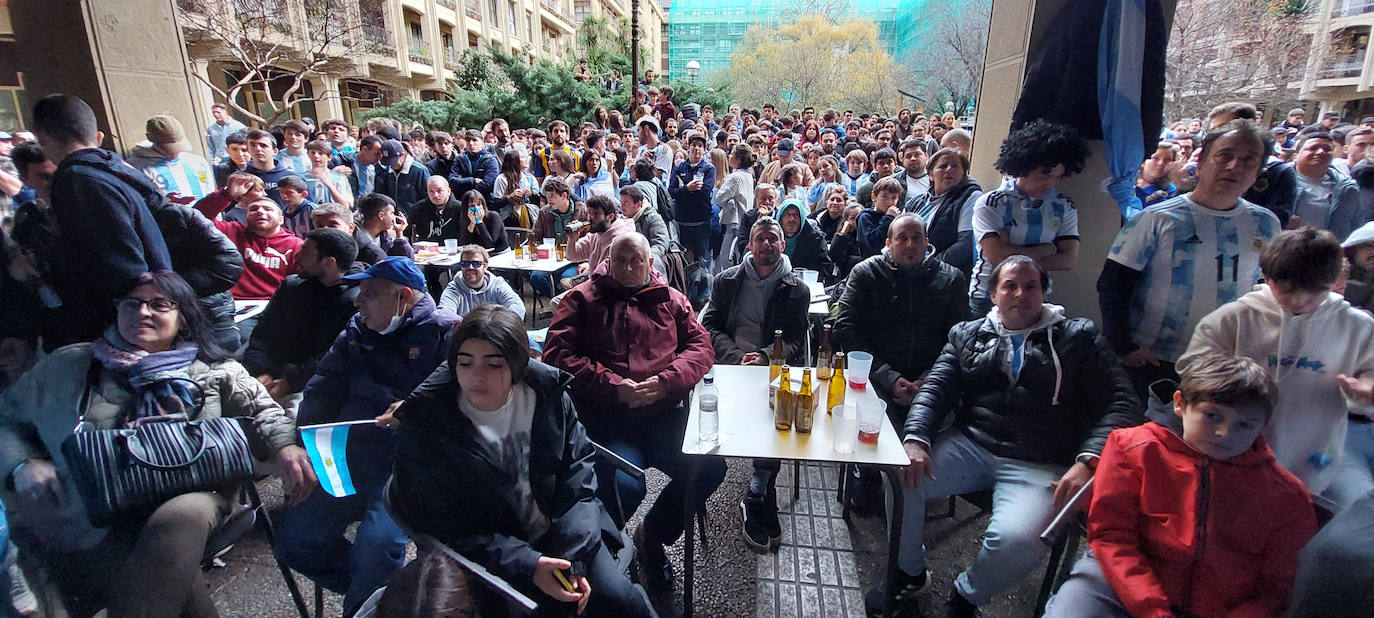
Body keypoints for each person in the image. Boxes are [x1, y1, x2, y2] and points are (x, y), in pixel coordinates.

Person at [0, 270, 314, 617]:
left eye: (159, 304)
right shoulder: (70, 366)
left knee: (179, 517)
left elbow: (264, 413)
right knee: (163, 579)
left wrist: (286, 446)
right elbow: (5, 420)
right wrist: (22, 464)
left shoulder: (214, 370)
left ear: (183, 318)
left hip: (194, 492)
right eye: (132, 304)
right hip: (91, 509)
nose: (143, 312)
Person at [870, 256, 1142, 617]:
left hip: (1041, 459)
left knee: (1018, 539)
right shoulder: (969, 334)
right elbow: (936, 388)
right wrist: (916, 438)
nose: (1020, 293)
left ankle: (966, 595)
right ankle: (910, 571)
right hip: (972, 443)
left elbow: (1123, 402)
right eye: (1010, 285)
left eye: (1030, 286)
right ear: (994, 294)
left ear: (1044, 292)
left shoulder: (1079, 338)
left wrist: (1089, 459)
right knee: (901, 475)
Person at [390, 304, 658, 616]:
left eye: (494, 365)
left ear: (518, 367)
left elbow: (578, 477)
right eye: (465, 363)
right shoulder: (427, 426)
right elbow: (447, 527)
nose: (476, 376)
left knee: (623, 601)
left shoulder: (547, 394)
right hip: (491, 558)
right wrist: (530, 564)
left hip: (565, 532)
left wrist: (571, 560)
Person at [1044, 356, 1318, 618]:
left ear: (1262, 427)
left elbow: (1276, 587)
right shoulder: (1133, 449)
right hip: (1121, 581)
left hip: (1223, 606)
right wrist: (1153, 610)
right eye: (1212, 416)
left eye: (1245, 424)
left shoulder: (1286, 496)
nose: (1225, 433)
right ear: (1180, 404)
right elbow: (1112, 536)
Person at [276, 256, 459, 618]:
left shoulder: (447, 333)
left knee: (377, 548)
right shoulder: (357, 331)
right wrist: (304, 444)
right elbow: (322, 390)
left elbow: (466, 399)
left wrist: (417, 407)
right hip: (350, 454)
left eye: (370, 293)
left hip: (411, 463)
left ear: (403, 297)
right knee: (293, 538)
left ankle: (370, 602)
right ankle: (389, 600)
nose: (358, 301)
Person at [543, 233, 726, 591]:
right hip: (604, 420)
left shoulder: (671, 300)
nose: (628, 268)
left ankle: (652, 536)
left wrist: (667, 381)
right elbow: (557, 355)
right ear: (607, 262)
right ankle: (601, 554)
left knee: (709, 468)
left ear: (649, 263)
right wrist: (613, 387)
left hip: (661, 415)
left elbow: (701, 348)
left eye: (636, 261)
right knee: (626, 486)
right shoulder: (581, 299)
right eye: (620, 260)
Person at [1179, 227, 1374, 503]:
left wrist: (1366, 389)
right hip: (1231, 445)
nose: (1300, 301)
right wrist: (1231, 379)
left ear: (1334, 282)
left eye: (1315, 292)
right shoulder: (1235, 318)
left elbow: (1370, 371)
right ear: (1268, 279)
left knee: (1295, 516)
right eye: (1288, 291)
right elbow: (1191, 369)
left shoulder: (1357, 327)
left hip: (1310, 450)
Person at [1098, 120, 1282, 400]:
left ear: (1258, 172)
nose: (1234, 166)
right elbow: (1113, 285)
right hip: (1155, 360)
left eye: (1248, 160)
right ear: (1202, 160)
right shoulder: (1156, 219)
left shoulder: (1266, 224)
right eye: (1225, 155)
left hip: (1224, 364)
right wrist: (1124, 346)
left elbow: (1267, 289)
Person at [700, 218, 810, 553]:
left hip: (771, 369)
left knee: (774, 419)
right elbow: (711, 324)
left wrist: (764, 356)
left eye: (772, 239)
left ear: (783, 244)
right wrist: (735, 356)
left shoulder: (796, 289)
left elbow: (794, 340)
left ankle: (760, 488)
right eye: (759, 239)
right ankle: (757, 488)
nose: (766, 245)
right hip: (732, 367)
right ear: (749, 245)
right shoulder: (727, 281)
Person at [31, 94, 173, 346]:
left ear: (42, 138)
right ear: (97, 137)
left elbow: (121, 267)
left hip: (125, 331)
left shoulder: (81, 181)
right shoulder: (114, 171)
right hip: (146, 317)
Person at [834, 213, 969, 408]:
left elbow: (958, 339)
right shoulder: (866, 273)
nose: (909, 244)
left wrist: (926, 381)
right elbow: (845, 327)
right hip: (873, 379)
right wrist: (890, 378)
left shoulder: (951, 279)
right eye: (902, 238)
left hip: (934, 384)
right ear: (888, 243)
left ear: (926, 242)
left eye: (916, 238)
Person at [968, 120, 1088, 317]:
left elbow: (1068, 260)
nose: (1050, 183)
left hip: (1037, 296)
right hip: (987, 297)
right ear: (1024, 166)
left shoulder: (1064, 206)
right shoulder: (990, 203)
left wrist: (1013, 253)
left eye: (1058, 176)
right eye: (1044, 174)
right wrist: (1047, 249)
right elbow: (997, 256)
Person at [243, 226, 359, 416]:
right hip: (271, 371)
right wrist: (263, 370)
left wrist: (291, 381)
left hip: (315, 380)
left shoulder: (354, 301)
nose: (296, 257)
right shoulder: (292, 286)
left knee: (294, 416)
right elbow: (263, 332)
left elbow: (336, 353)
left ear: (329, 263)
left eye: (305, 251)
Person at [908, 147, 981, 279]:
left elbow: (965, 244)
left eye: (955, 166)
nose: (949, 169)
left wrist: (929, 267)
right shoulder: (916, 202)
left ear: (963, 172)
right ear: (930, 173)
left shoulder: (970, 197)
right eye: (943, 166)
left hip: (944, 278)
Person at [1288, 132, 1363, 240]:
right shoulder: (1278, 180)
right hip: (1281, 249)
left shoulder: (1347, 189)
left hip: (1326, 252)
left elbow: (1355, 225)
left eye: (1327, 149)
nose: (1321, 152)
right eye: (1313, 148)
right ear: (1295, 156)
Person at [127, 114, 217, 200]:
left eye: (178, 147)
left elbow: (211, 196)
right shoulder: (137, 169)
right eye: (167, 149)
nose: (174, 153)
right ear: (150, 139)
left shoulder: (198, 162)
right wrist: (165, 202)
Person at [530, 178, 586, 297]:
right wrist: (541, 248)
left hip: (574, 259)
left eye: (552, 196)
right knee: (536, 277)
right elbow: (536, 237)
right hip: (551, 259)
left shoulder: (581, 211)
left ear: (564, 195)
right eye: (547, 196)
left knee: (568, 278)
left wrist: (587, 261)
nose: (549, 200)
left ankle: (563, 304)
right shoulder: (544, 212)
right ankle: (558, 302)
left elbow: (591, 238)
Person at [669, 132, 716, 270]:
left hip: (701, 222)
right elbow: (671, 192)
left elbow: (704, 192)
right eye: (694, 145)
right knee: (683, 260)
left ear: (704, 149)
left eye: (700, 146)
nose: (696, 148)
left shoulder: (709, 169)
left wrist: (683, 188)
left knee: (703, 259)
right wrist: (687, 189)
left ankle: (704, 289)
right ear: (688, 147)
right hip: (682, 221)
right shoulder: (679, 168)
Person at [438, 244, 524, 319]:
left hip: (494, 333)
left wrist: (496, 326)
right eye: (465, 264)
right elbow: (444, 315)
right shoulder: (453, 288)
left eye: (476, 264)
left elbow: (518, 307)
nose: (470, 267)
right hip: (465, 334)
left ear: (485, 266)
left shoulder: (497, 284)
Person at [566, 194, 636, 278]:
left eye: (596, 213)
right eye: (589, 212)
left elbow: (608, 278)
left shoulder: (620, 241)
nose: (591, 217)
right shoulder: (595, 234)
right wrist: (572, 239)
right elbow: (572, 256)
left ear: (610, 217)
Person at [774, 197, 831, 275]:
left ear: (802, 218)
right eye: (787, 214)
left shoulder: (815, 239)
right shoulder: (771, 239)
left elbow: (824, 267)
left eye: (796, 214)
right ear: (780, 218)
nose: (791, 219)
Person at [855, 176, 904, 258]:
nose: (889, 201)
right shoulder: (865, 217)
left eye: (894, 198)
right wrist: (888, 218)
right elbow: (873, 246)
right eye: (884, 196)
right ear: (874, 197)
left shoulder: (897, 218)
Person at [491, 149, 539, 230]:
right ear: (514, 160)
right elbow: (496, 204)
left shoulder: (529, 178)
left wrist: (530, 195)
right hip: (508, 219)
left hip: (527, 216)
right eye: (522, 157)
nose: (525, 159)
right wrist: (510, 197)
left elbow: (537, 199)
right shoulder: (502, 179)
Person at [448, 129, 499, 204]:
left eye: (474, 140)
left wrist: (463, 184)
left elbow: (488, 184)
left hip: (485, 202)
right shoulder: (460, 159)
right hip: (463, 203)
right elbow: (452, 181)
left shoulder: (490, 160)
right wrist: (473, 180)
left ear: (482, 142)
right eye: (468, 140)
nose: (471, 143)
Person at [378, 139, 430, 211]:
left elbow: (426, 197)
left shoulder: (419, 171)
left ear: (403, 155)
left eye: (393, 161)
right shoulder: (388, 171)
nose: (391, 165)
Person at [619, 185, 669, 260]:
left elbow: (660, 244)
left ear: (638, 204)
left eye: (626, 203)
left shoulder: (653, 218)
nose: (622, 206)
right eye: (621, 202)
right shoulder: (620, 219)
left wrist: (643, 258)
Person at [358, 192, 414, 259]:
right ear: (381, 215)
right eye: (392, 213)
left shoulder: (388, 237)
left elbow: (407, 261)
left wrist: (399, 234)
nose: (394, 217)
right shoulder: (356, 238)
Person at [408, 175, 462, 243]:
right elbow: (408, 235)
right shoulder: (417, 210)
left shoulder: (460, 209)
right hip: (425, 252)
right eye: (431, 191)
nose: (435, 195)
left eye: (439, 191)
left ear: (448, 191)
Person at [454, 190, 509, 254]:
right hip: (476, 254)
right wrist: (472, 224)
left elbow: (489, 245)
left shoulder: (493, 216)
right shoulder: (465, 218)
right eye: (472, 206)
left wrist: (480, 222)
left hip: (499, 253)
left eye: (478, 205)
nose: (476, 208)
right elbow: (463, 244)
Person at [304, 139, 354, 209]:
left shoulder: (339, 178)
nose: (316, 156)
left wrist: (329, 185)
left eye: (321, 153)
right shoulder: (302, 178)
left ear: (329, 157)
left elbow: (345, 205)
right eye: (313, 153)